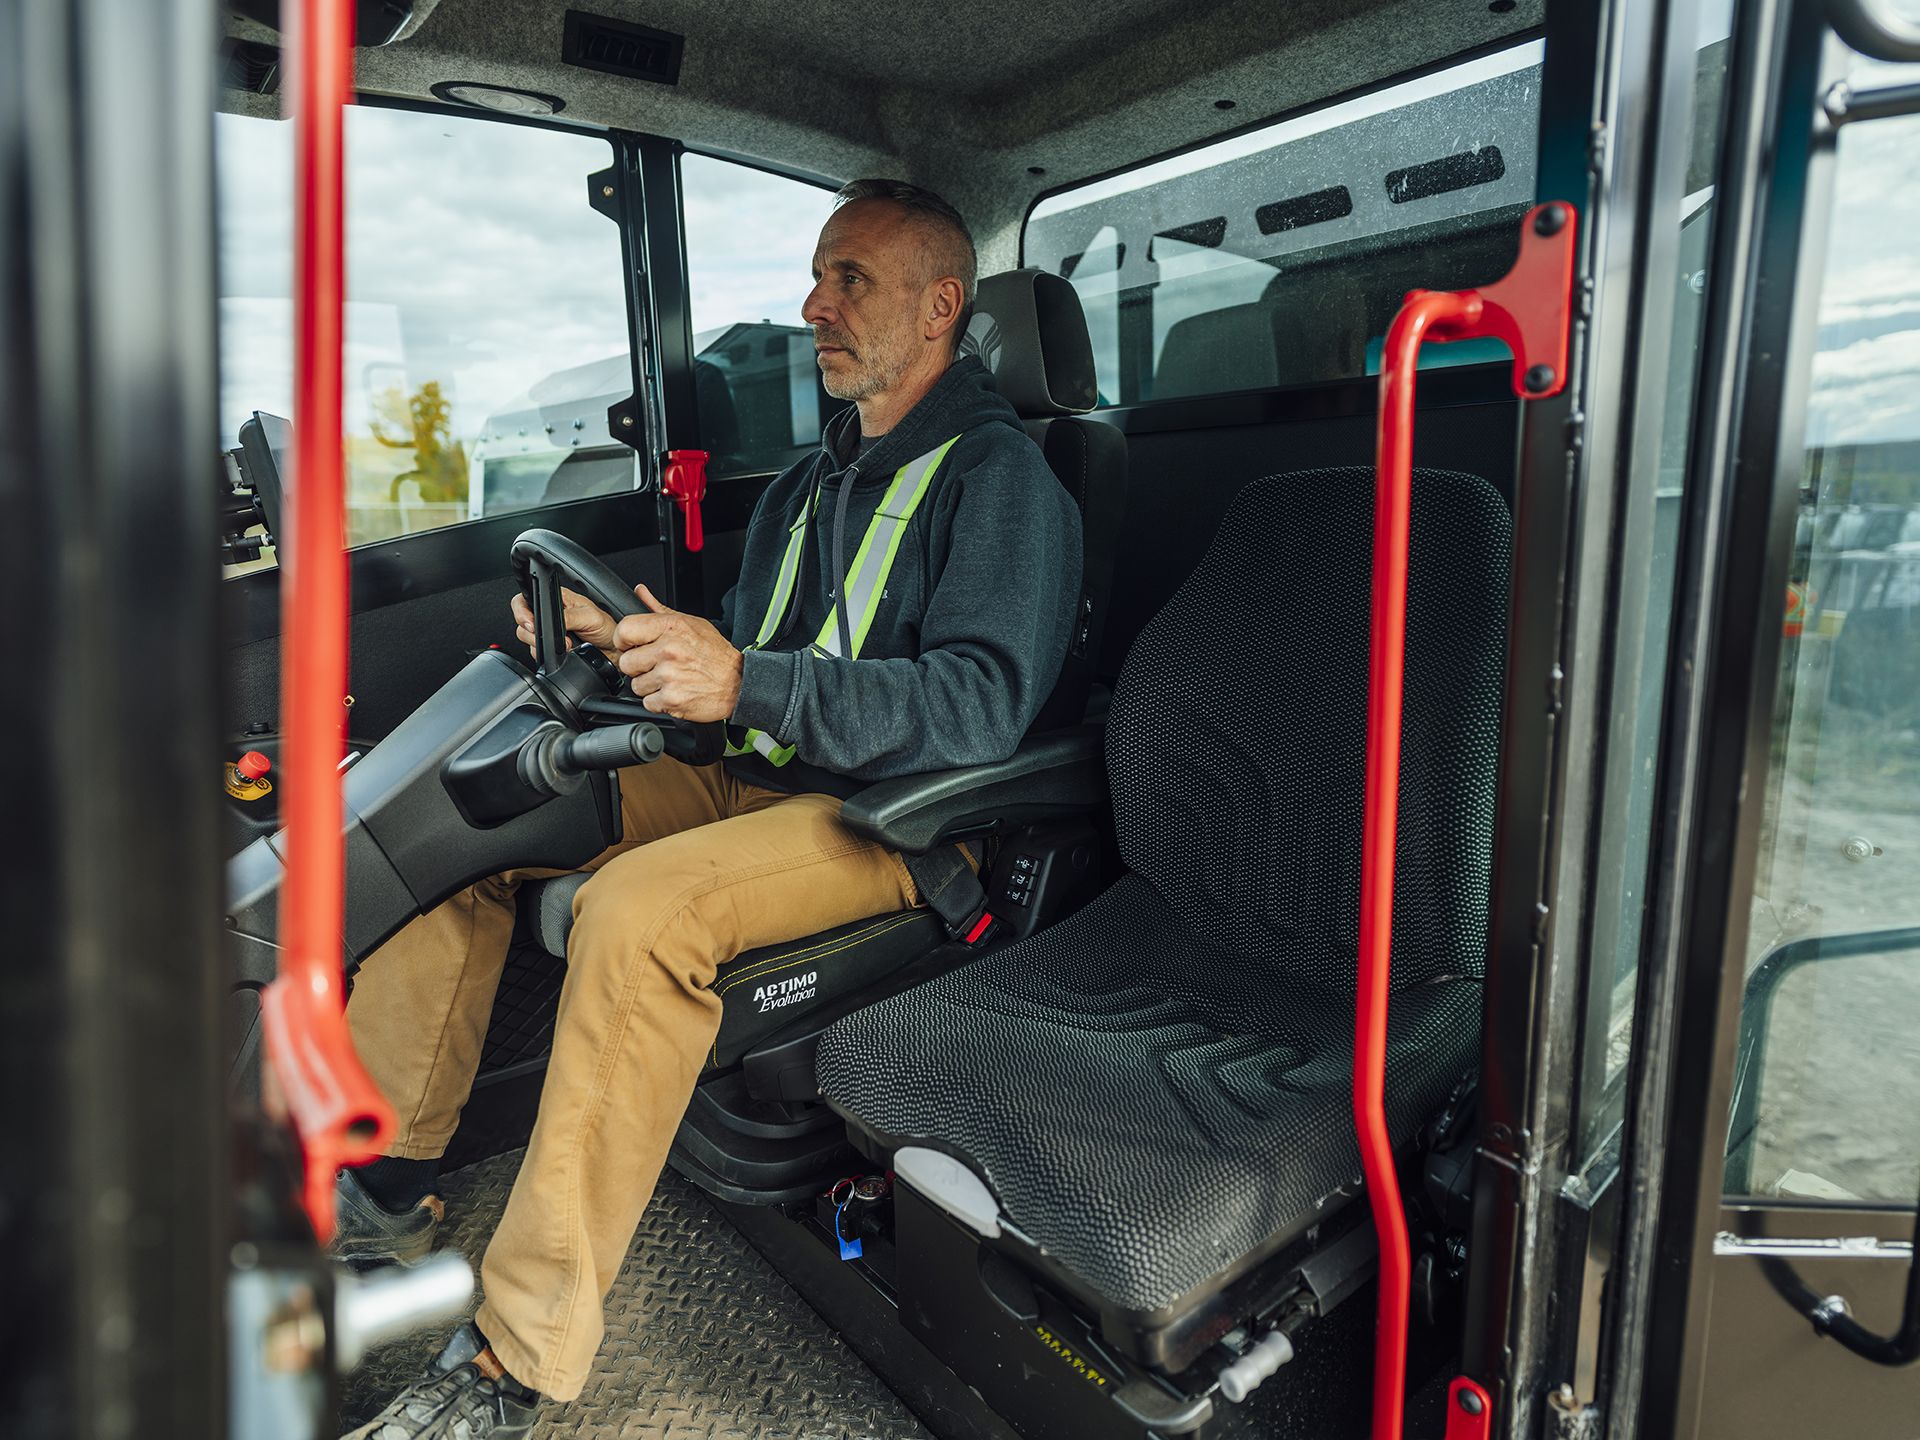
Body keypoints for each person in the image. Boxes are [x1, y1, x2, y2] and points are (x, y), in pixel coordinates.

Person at [342, 178, 1082, 1438]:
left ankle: (510, 1367)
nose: (814, 305)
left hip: (902, 820)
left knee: (635, 914)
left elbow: (978, 706)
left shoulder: (1002, 482)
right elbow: (748, 664)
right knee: (472, 822)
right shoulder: (807, 487)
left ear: (941, 307)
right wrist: (631, 642)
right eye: (817, 275)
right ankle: (381, 1190)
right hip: (757, 771)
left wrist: (746, 678)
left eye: (851, 279)